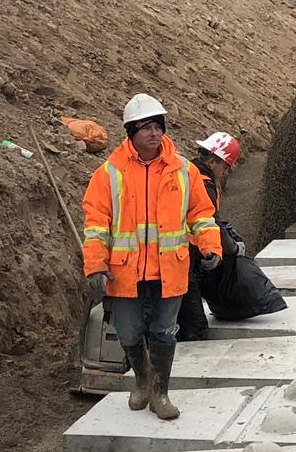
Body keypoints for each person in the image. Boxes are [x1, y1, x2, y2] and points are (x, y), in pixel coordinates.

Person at [81, 93, 221, 421]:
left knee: (164, 331)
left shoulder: (183, 171)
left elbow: (201, 215)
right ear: (131, 132)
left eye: (158, 126)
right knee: (129, 332)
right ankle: (143, 378)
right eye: (145, 128)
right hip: (124, 272)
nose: (154, 133)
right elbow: (96, 224)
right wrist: (96, 264)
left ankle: (160, 393)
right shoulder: (109, 173)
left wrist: (209, 246)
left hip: (169, 270)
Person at [179, 131, 288, 343]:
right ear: (212, 161)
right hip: (181, 261)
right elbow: (209, 223)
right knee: (194, 327)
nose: (226, 172)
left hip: (179, 257)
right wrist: (232, 249)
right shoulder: (202, 183)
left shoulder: (188, 173)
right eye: (226, 166)